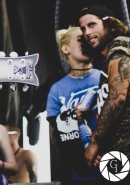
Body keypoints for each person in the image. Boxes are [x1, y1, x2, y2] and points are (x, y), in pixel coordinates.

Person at [77, 5, 130, 171]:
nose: (86, 32)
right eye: (83, 28)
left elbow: (117, 98)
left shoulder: (118, 49)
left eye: (92, 25)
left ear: (108, 25)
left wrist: (94, 142)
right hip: (118, 151)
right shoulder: (109, 57)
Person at [46, 26, 101, 183]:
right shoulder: (57, 89)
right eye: (79, 39)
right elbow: (56, 135)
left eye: (86, 39)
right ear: (66, 48)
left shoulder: (106, 76)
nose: (85, 42)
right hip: (78, 171)